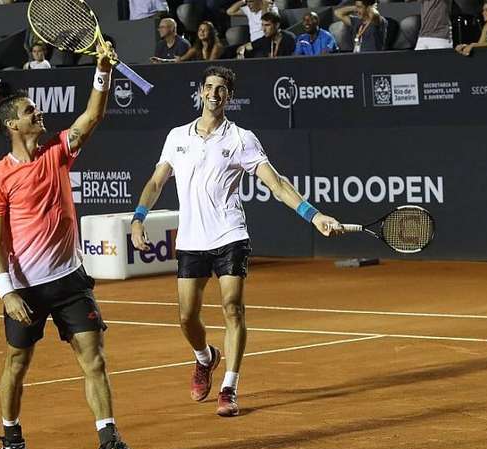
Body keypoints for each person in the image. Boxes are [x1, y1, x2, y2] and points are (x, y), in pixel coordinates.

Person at [130, 65, 342, 417]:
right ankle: (205, 358)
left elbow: (276, 183)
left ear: (229, 96)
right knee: (186, 317)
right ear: (200, 91)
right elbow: (156, 183)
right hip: (192, 239)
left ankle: (229, 386)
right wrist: (138, 218)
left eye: (222, 89)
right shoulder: (177, 137)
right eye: (209, 87)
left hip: (230, 234)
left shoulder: (241, 139)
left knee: (232, 307)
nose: (214, 93)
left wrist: (313, 215)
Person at [0, 42, 150, 449]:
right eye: (30, 112)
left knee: (94, 358)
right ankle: (11, 442)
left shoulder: (58, 150)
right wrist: (6, 292)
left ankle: (110, 445)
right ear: (12, 126)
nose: (39, 114)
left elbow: (92, 116)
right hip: (26, 290)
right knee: (17, 364)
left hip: (71, 280)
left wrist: (102, 69)